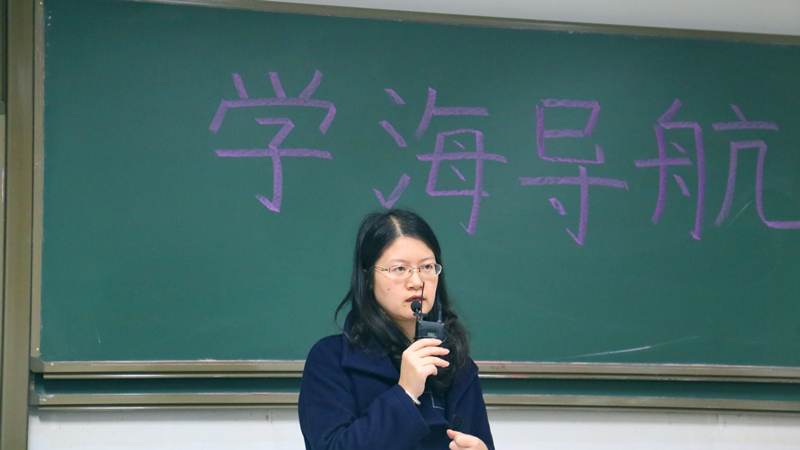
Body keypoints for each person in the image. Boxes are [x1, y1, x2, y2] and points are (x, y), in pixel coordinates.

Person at [299, 209, 494, 450]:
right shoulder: (331, 360)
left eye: (427, 267)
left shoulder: (458, 363)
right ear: (368, 278)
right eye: (400, 269)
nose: (417, 282)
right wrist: (406, 393)